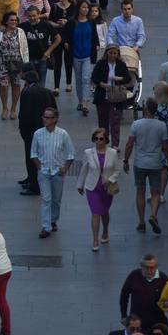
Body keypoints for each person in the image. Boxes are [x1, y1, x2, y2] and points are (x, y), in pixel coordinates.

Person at [123, 99, 168, 236]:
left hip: (140, 164)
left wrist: (126, 160)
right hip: (155, 163)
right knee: (156, 192)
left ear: (146, 109)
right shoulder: (161, 126)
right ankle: (153, 215)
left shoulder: (136, 124)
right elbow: (166, 146)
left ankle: (141, 222)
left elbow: (129, 144)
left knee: (140, 192)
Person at [31, 105, 75, 238]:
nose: (46, 120)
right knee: (46, 199)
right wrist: (39, 166)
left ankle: (53, 219)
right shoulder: (38, 134)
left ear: (55, 119)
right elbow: (33, 153)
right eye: (45, 117)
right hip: (44, 171)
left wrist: (65, 168)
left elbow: (71, 154)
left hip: (57, 172)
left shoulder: (63, 134)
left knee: (56, 199)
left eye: (49, 117)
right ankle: (46, 227)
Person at [78, 126, 120, 251]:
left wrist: (110, 179)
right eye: (96, 139)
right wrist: (80, 185)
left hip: (107, 188)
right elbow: (84, 169)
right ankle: (95, 239)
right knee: (95, 213)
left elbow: (117, 170)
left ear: (106, 140)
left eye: (101, 139)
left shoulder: (112, 153)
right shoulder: (88, 153)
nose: (98, 141)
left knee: (104, 212)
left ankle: (105, 231)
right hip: (92, 187)